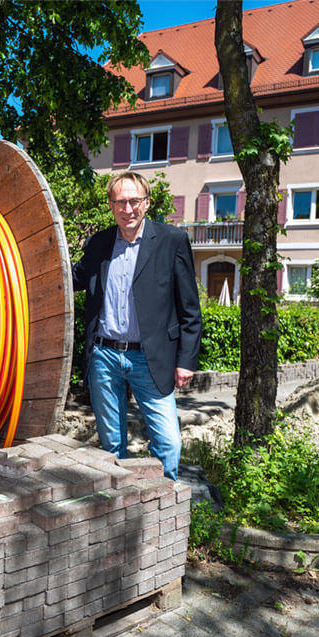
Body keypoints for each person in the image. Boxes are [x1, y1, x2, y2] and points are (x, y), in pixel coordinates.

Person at [72, 171, 202, 480]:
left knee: (169, 442)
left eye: (134, 201)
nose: (127, 209)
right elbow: (72, 279)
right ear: (111, 205)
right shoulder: (99, 243)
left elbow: (190, 308)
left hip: (150, 356)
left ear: (146, 203)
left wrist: (186, 361)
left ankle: (163, 503)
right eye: (120, 202)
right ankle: (122, 507)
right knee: (112, 446)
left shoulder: (172, 241)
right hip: (103, 356)